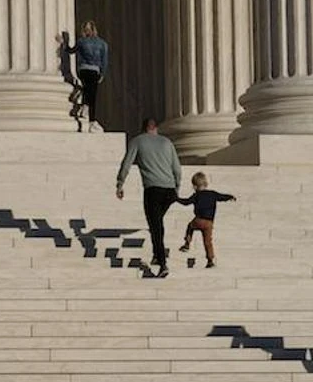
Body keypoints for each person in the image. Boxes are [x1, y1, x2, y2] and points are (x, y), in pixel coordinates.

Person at [116, 118, 181, 278]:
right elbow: (177, 169)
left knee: (156, 226)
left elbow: (127, 163)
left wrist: (120, 183)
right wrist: (176, 189)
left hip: (153, 190)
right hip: (169, 190)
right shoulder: (167, 142)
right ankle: (156, 255)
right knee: (156, 223)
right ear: (156, 128)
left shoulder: (138, 141)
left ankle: (162, 263)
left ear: (143, 128)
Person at [176, 172, 236, 268]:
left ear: (195, 186)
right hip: (209, 223)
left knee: (190, 226)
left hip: (198, 220)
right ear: (206, 184)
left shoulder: (196, 195)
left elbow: (186, 202)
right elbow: (222, 197)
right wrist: (230, 197)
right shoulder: (212, 194)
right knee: (208, 242)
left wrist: (176, 198)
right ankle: (210, 261)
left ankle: (187, 244)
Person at [58, 20, 109, 133]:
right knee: (92, 94)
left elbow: (70, 51)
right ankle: (91, 117)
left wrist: (63, 43)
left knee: (87, 89)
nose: (86, 31)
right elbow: (104, 61)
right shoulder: (102, 44)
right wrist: (103, 74)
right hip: (94, 70)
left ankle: (85, 107)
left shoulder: (81, 41)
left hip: (83, 70)